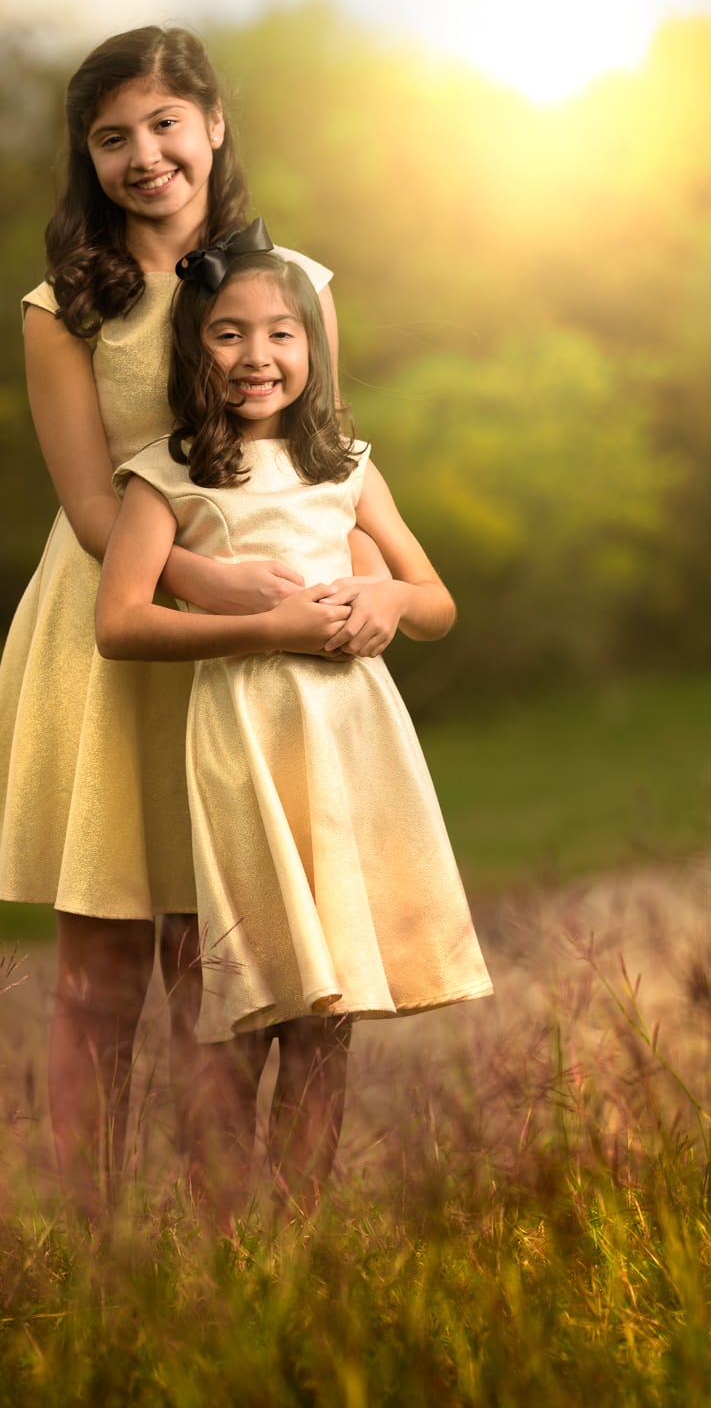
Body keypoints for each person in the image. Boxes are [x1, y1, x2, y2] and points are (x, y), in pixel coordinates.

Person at [0, 26, 381, 1210]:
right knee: (100, 974)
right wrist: (210, 588)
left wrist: (348, 597)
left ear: (212, 126)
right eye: (112, 139)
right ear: (87, 159)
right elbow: (95, 506)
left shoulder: (296, 285)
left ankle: (225, 1242)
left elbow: (320, 469)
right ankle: (89, 1254)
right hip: (112, 631)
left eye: (162, 126)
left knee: (223, 956)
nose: (144, 157)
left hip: (259, 659)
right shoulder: (63, 310)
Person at [95, 245, 494, 1214]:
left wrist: (388, 597)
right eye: (228, 334)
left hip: (346, 753)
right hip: (243, 751)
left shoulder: (347, 467)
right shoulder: (165, 477)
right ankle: (225, 1240)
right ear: (194, 349)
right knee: (232, 1009)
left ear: (312, 345)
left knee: (328, 1011)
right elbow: (121, 623)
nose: (255, 354)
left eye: (279, 333)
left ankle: (303, 1239)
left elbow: (437, 602)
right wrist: (264, 627)